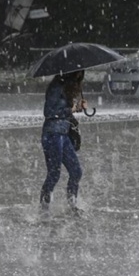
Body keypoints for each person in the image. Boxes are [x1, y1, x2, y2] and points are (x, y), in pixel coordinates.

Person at [40, 70, 88, 215]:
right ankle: (43, 210)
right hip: (52, 134)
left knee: (76, 172)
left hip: (63, 133)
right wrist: (70, 109)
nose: (79, 78)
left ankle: (72, 206)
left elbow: (63, 111)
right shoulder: (56, 86)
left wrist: (78, 107)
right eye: (77, 75)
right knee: (54, 174)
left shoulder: (66, 86)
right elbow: (49, 111)